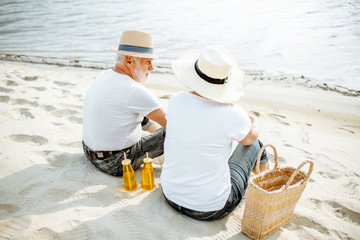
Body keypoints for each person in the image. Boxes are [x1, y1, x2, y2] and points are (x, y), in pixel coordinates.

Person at [160, 45, 269, 221]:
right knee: (256, 144)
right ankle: (267, 192)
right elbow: (249, 139)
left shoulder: (176, 100)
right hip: (210, 208)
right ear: (225, 82)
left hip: (171, 196)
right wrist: (255, 123)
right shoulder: (231, 113)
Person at [82, 30, 166, 176]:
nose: (152, 67)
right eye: (148, 62)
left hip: (90, 153)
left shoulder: (105, 75)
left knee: (132, 111)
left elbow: (144, 120)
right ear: (129, 61)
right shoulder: (134, 90)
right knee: (177, 128)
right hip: (117, 163)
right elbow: (173, 125)